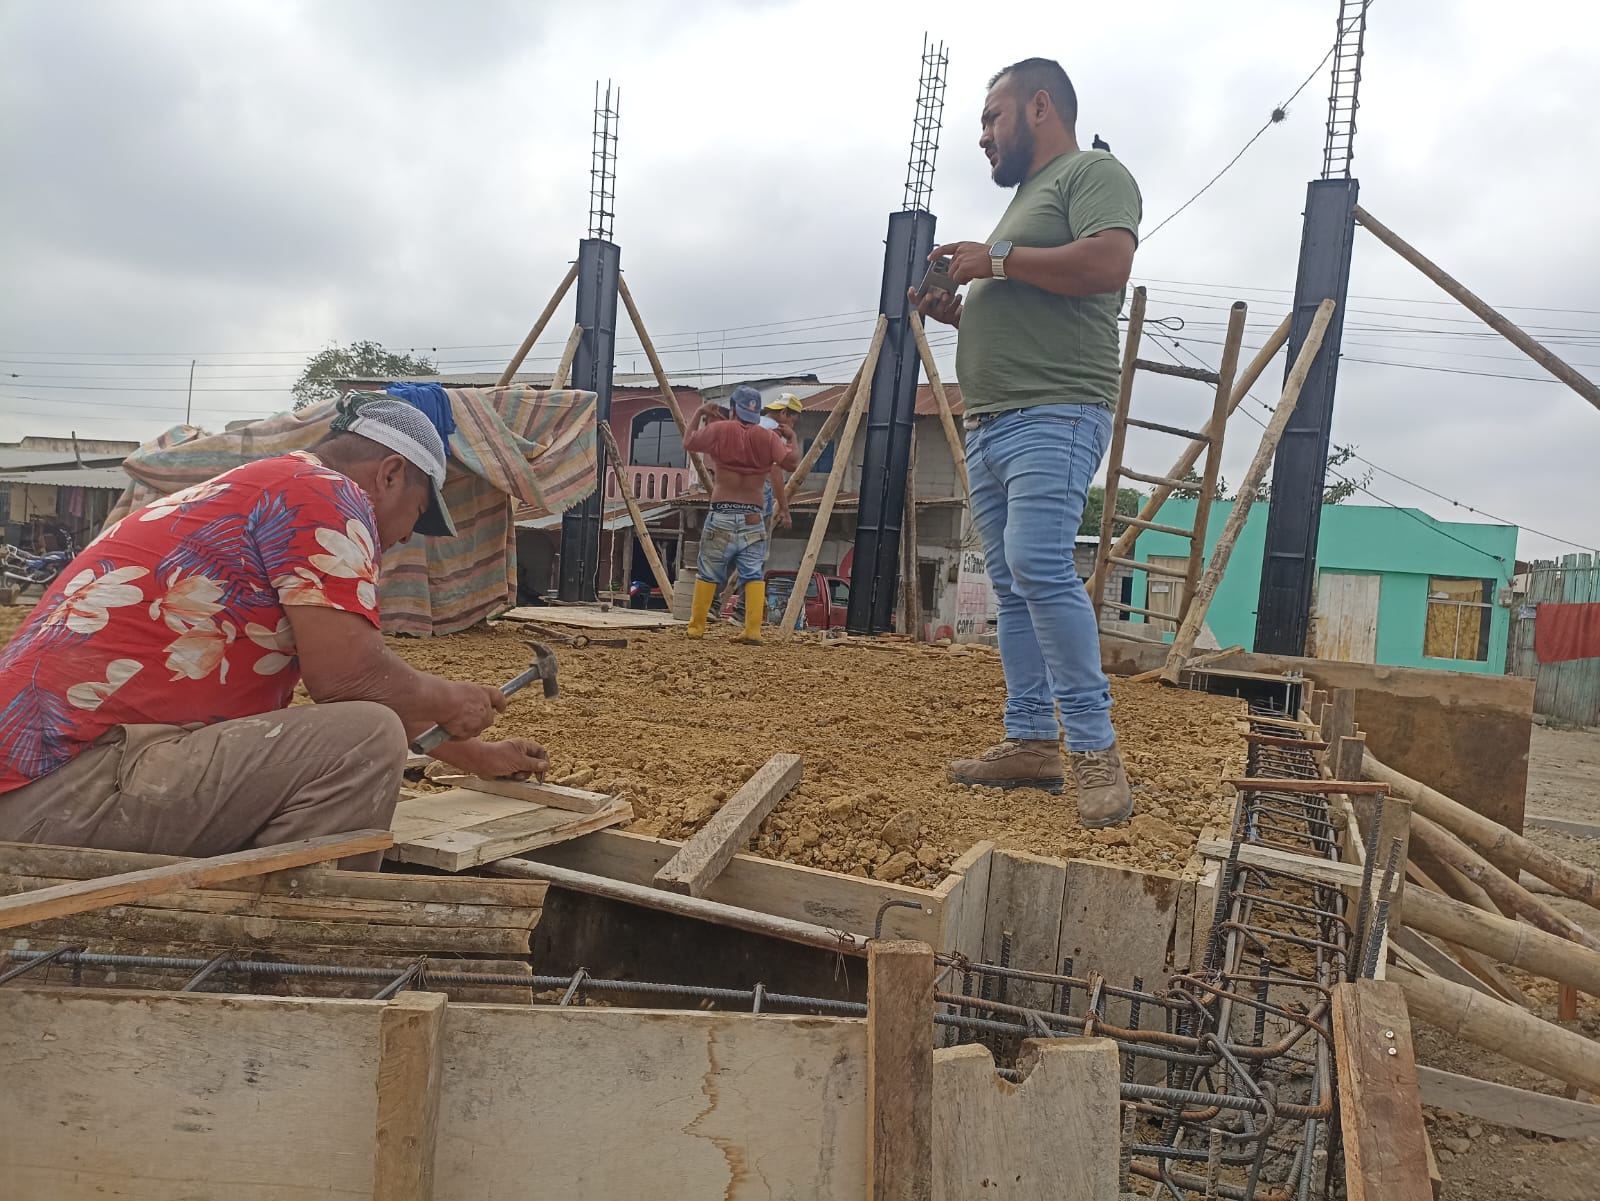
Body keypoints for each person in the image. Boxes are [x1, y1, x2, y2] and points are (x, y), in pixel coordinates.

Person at [0, 392, 550, 870]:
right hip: (63, 794)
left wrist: (477, 756)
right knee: (367, 739)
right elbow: (351, 679)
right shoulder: (328, 495)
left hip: (45, 781)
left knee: (361, 726)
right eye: (419, 512)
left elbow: (350, 683)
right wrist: (450, 699)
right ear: (389, 475)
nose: (407, 536)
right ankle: (283, 934)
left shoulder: (257, 489)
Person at [910, 57, 1142, 829]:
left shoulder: (1092, 174)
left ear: (1040, 107)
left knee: (1038, 564)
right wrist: (964, 310)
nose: (983, 135)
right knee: (1013, 582)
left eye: (993, 117)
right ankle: (1032, 738)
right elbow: (1031, 298)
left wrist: (996, 261)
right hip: (994, 419)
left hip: (1056, 409)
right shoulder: (1022, 204)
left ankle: (1096, 751)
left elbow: (1109, 262)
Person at [683, 384, 799, 643]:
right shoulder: (768, 437)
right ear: (756, 412)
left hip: (722, 511)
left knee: (709, 570)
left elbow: (689, 441)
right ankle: (752, 630)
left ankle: (696, 627)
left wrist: (700, 413)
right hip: (753, 515)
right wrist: (791, 438)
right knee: (753, 572)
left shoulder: (720, 429)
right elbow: (791, 463)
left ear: (734, 408)